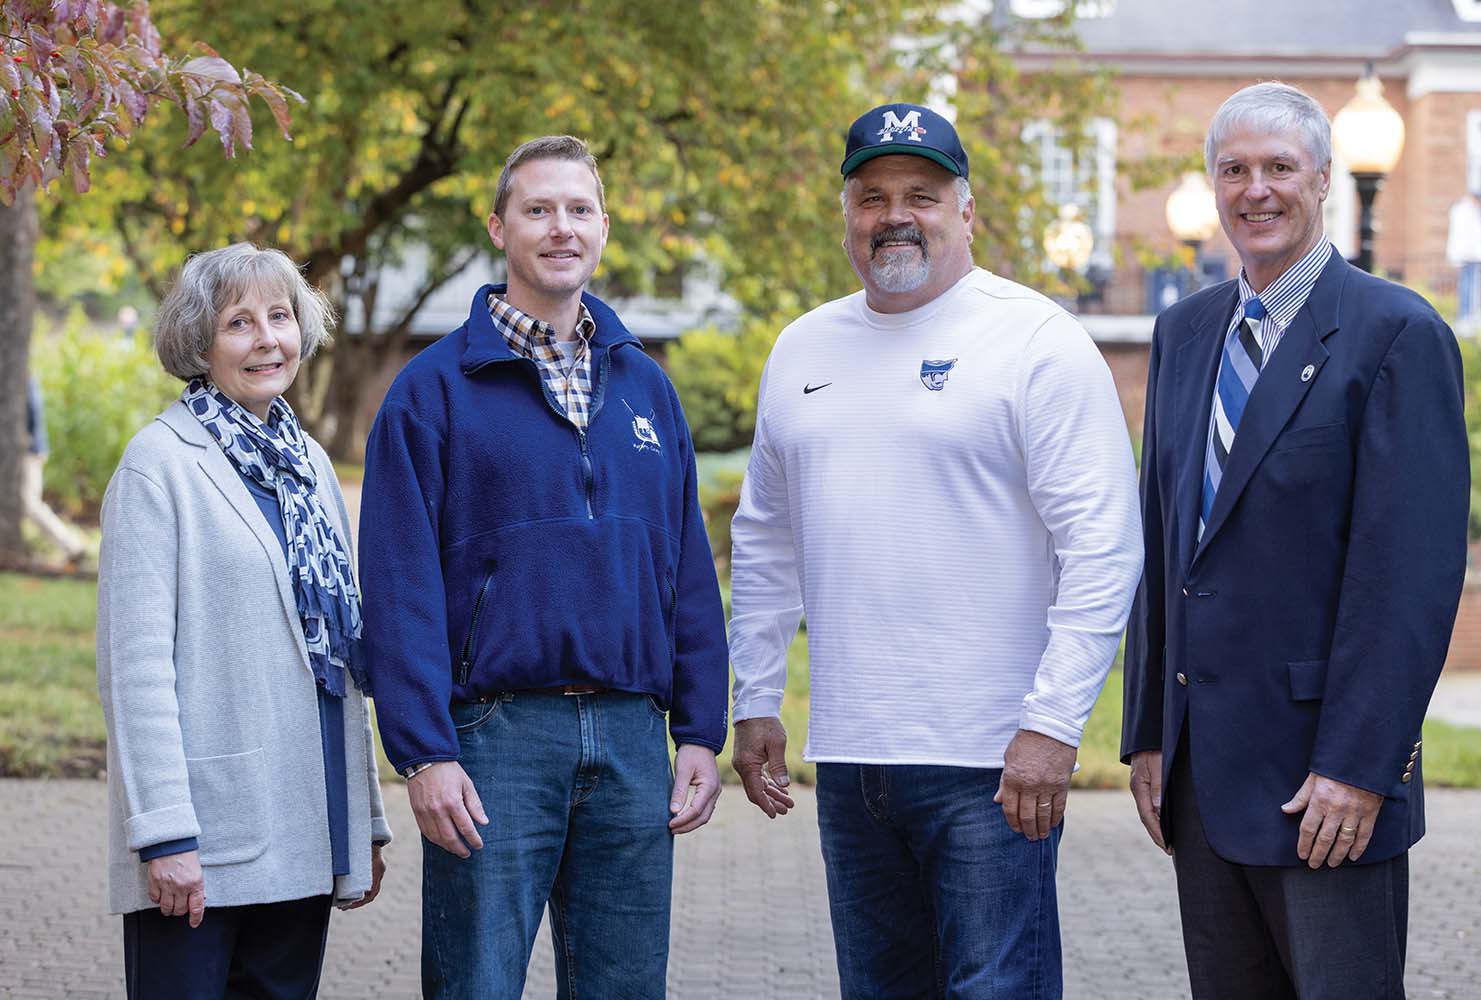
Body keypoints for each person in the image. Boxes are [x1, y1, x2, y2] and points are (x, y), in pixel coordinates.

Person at [729, 103, 1143, 998]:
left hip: (993, 763)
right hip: (850, 759)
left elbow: (1104, 549)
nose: (894, 214)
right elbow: (765, 537)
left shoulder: (1036, 342)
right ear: (846, 212)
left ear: (966, 209)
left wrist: (1053, 724)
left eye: (921, 192)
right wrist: (756, 693)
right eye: (871, 195)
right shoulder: (802, 347)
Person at [360, 134, 729, 999]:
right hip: (494, 741)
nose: (560, 227)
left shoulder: (646, 388)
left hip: (635, 741)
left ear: (603, 228)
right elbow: (400, 582)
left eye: (578, 209)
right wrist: (423, 753)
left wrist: (701, 731)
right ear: (499, 226)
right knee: (475, 984)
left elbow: (685, 570)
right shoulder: (431, 392)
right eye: (537, 209)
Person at [1122, 81, 1469, 1000]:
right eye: (1233, 170)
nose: (1256, 190)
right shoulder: (1185, 333)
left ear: (1323, 180)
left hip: (1324, 790)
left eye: (1280, 167)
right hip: (1201, 785)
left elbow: (1409, 577)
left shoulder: (1397, 333)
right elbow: (1166, 546)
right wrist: (1149, 734)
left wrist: (1359, 768)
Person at [96, 243, 391, 999]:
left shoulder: (310, 465)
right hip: (206, 837)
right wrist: (163, 833)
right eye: (239, 323)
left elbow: (338, 658)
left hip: (308, 822)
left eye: (281, 316)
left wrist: (365, 819)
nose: (267, 339)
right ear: (198, 343)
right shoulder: (159, 464)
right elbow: (134, 671)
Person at [23, 373, 86, 564]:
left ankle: (72, 546)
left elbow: (33, 410)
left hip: (28, 451)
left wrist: (30, 442)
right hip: (23, 450)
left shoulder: (21, 376)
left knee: (29, 503)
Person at [1448, 190, 1481, 325]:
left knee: (1471, 286)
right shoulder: (1463, 211)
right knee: (1466, 287)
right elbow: (1463, 236)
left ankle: (1469, 315)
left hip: (1473, 256)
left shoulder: (1473, 212)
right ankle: (1465, 316)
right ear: (1474, 199)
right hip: (1467, 256)